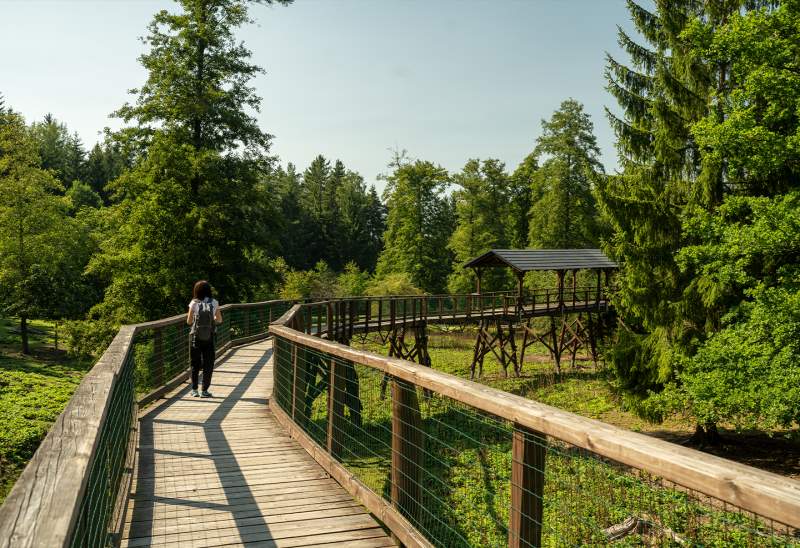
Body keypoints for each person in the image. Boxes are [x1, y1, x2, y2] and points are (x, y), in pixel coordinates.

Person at [186, 280, 223, 397]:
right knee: (208, 364)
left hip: (195, 337)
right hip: (210, 337)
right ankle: (205, 391)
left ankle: (194, 390)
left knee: (194, 364)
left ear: (196, 291)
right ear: (209, 290)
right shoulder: (214, 302)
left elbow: (189, 321)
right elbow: (219, 320)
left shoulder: (194, 303)